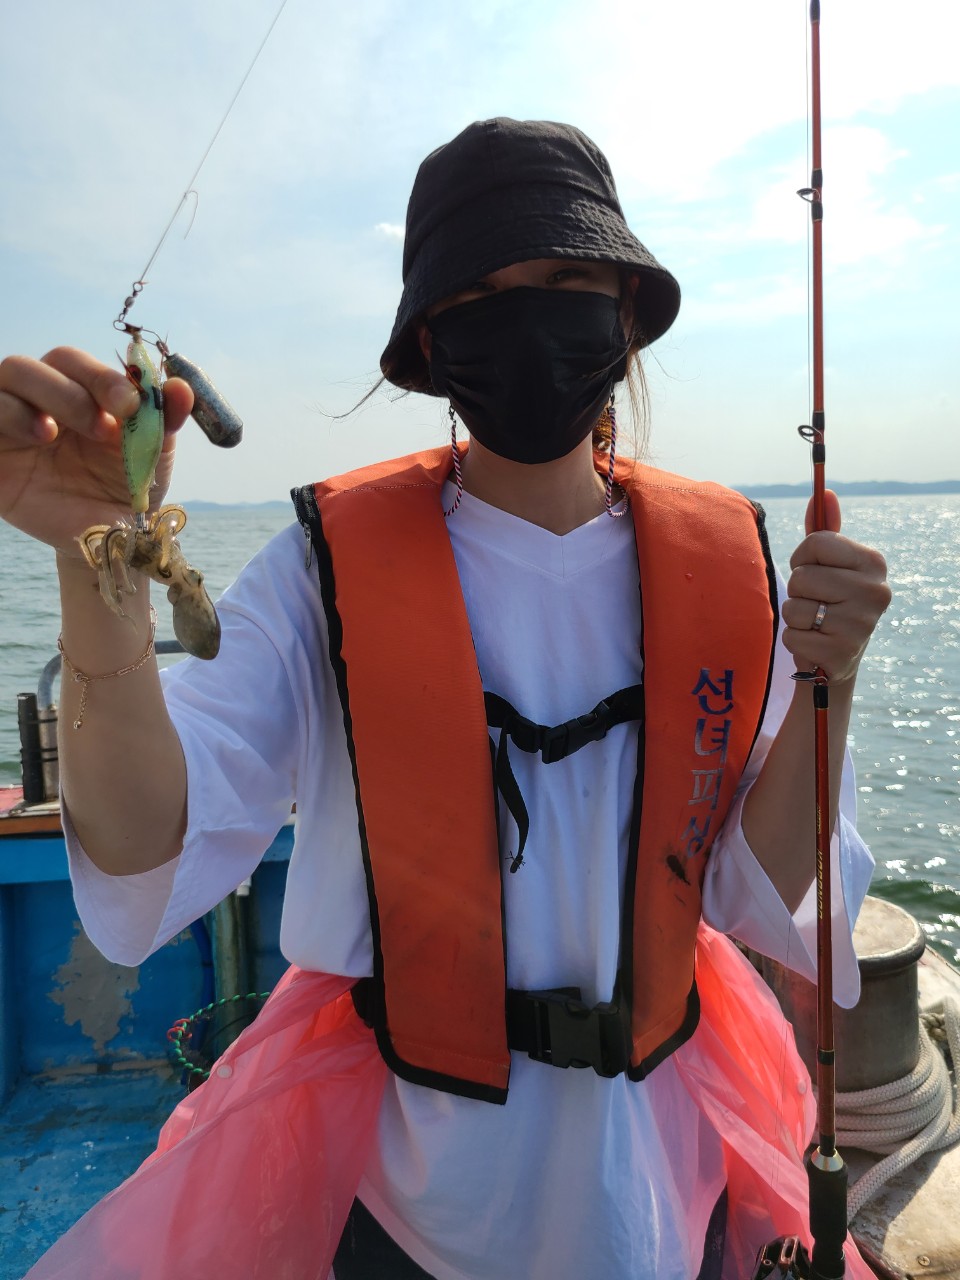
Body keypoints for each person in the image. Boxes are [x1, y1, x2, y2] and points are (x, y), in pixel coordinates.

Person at [0, 118, 890, 1280]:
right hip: (415, 1194)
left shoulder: (728, 567)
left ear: (624, 312)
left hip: (661, 1181)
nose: (529, 318)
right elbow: (141, 853)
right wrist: (98, 561)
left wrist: (830, 679)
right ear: (432, 338)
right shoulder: (318, 569)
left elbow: (752, 891)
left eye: (565, 280)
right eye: (483, 292)